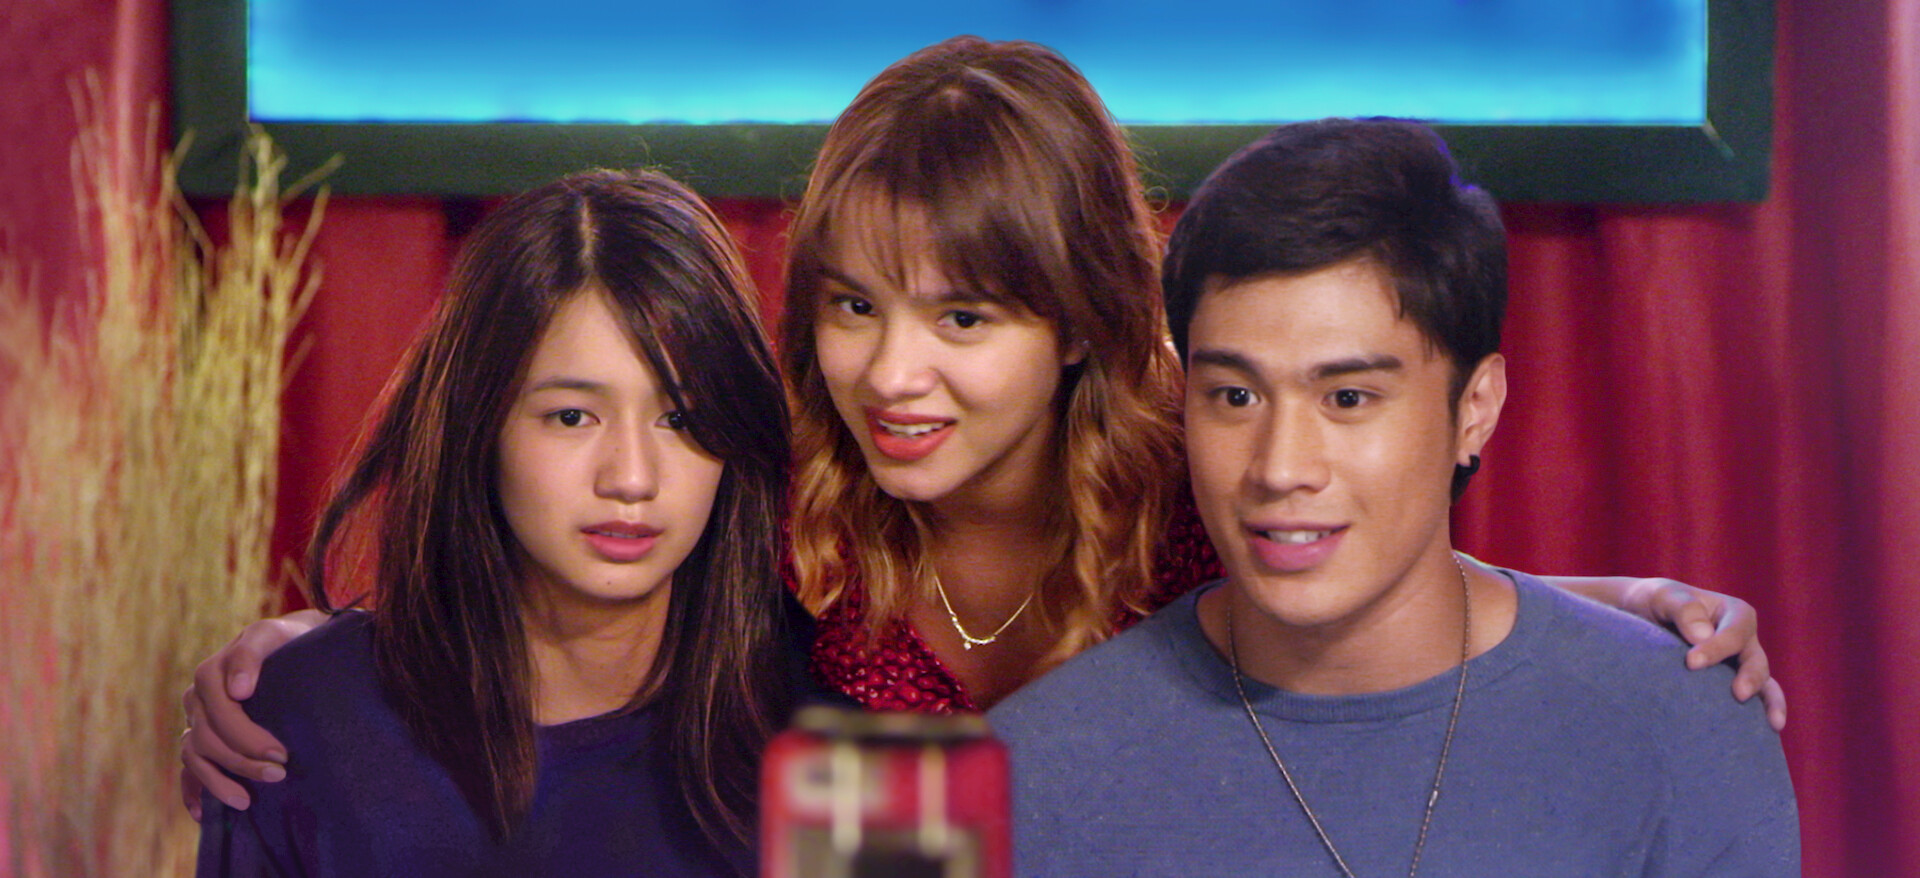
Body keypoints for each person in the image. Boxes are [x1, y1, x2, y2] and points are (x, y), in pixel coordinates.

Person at [181, 37, 1781, 813]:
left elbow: (1380, 603)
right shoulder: (781, 494)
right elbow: (581, 567)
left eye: (965, 318)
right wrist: (317, 655)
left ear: (1077, 318)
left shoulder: (1203, 475)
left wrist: (1612, 610)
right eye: (853, 304)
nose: (895, 374)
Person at [987, 118, 1799, 876]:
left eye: (1348, 399)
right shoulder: (1033, 774)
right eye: (1235, 397)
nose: (1280, 467)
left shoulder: (1680, 729)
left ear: (1474, 409)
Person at [195, 170, 803, 876]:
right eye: (572, 417)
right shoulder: (306, 721)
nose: (631, 478)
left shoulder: (820, 717)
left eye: (680, 419)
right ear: (480, 425)